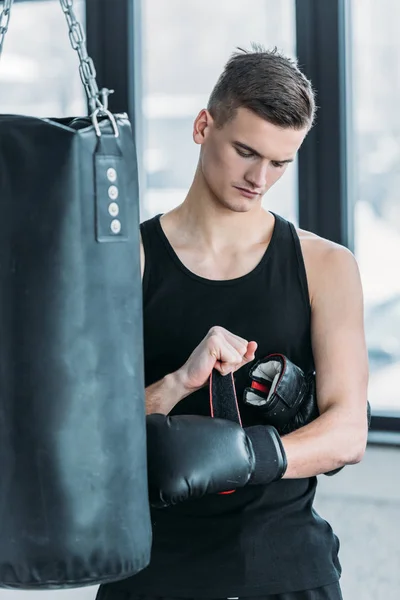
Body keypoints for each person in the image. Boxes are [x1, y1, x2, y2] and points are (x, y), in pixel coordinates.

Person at [96, 45, 369, 600]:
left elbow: (349, 433)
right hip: (156, 570)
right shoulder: (127, 262)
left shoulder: (325, 266)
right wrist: (177, 385)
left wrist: (250, 456)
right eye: (245, 151)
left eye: (279, 163)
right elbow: (88, 435)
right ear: (203, 125)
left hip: (289, 569)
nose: (259, 177)